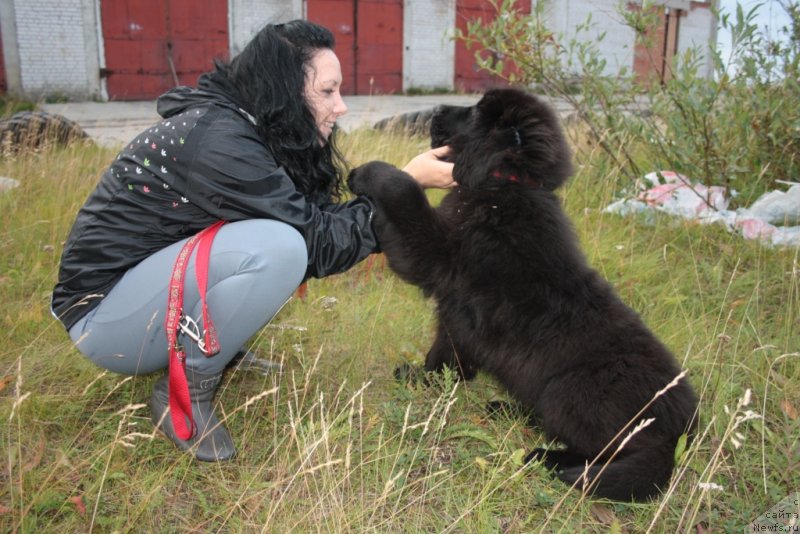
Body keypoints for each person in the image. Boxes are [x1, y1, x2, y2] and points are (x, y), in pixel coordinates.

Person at [51, 20, 454, 462]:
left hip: (142, 300)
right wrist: (405, 184)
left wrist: (396, 189)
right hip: (105, 321)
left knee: (279, 240)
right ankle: (181, 395)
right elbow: (316, 242)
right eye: (327, 91)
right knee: (280, 248)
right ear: (283, 88)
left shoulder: (248, 127)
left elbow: (315, 219)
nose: (340, 107)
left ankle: (215, 351)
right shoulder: (220, 142)